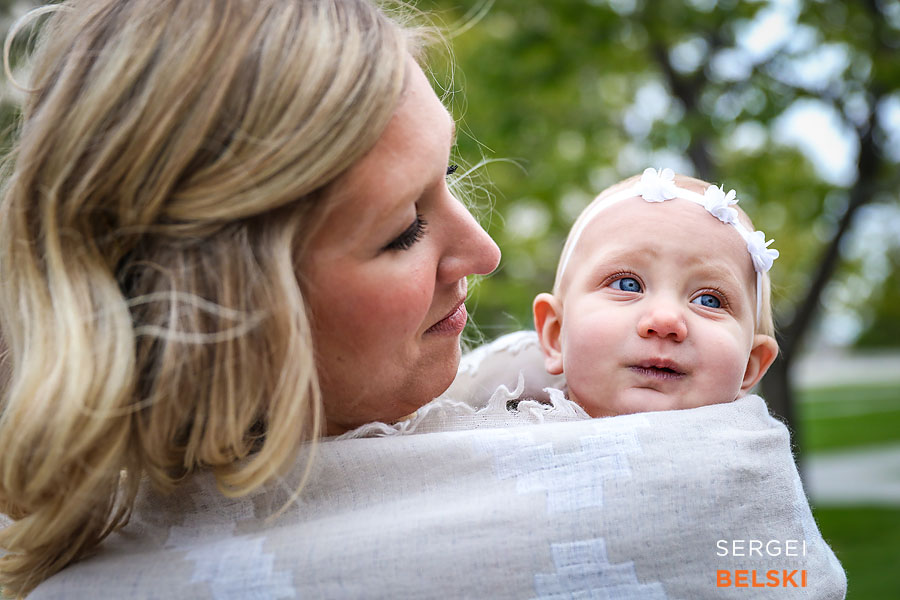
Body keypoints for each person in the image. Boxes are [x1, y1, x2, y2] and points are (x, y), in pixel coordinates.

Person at [0, 0, 499, 595]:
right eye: (403, 231)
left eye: (449, 171)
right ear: (224, 311)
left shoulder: (555, 393)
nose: (485, 251)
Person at [533, 167, 780, 418]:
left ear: (749, 366)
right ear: (556, 334)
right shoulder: (505, 448)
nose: (666, 320)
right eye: (627, 285)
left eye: (709, 300)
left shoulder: (757, 454)